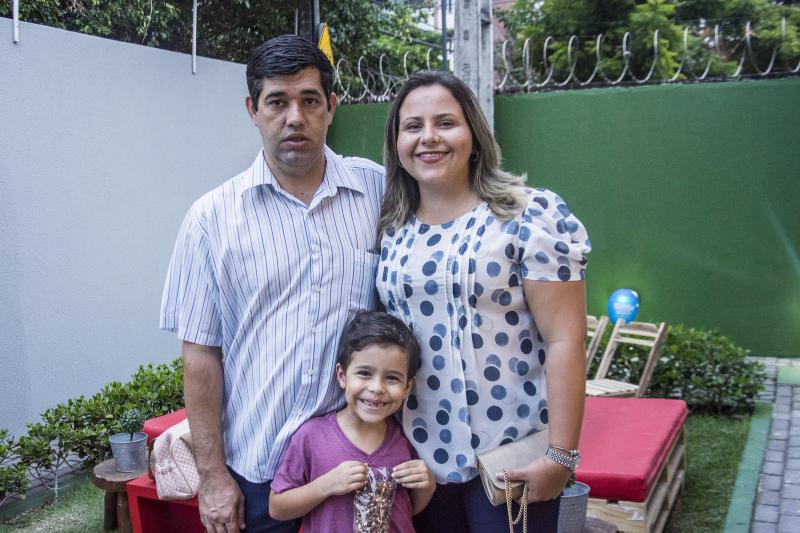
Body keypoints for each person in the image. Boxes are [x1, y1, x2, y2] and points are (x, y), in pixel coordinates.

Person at [159, 35, 385, 533]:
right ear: (252, 110)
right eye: (277, 102)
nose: (294, 117)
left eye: (309, 100)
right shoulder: (210, 220)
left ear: (331, 107)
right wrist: (212, 476)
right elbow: (200, 354)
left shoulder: (377, 191)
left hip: (357, 463)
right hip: (257, 470)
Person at [375, 70, 591, 532]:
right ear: (396, 144)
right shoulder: (392, 230)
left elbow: (565, 339)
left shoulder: (526, 215)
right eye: (412, 126)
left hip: (511, 461)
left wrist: (561, 456)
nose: (428, 137)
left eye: (445, 123)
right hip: (418, 464)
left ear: (474, 135)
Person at [268, 311, 435, 532]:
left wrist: (427, 487)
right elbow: (277, 507)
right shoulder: (311, 436)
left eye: (392, 378)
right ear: (342, 376)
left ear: (408, 386)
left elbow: (408, 509)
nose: (377, 388)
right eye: (364, 373)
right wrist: (325, 485)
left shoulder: (406, 437)